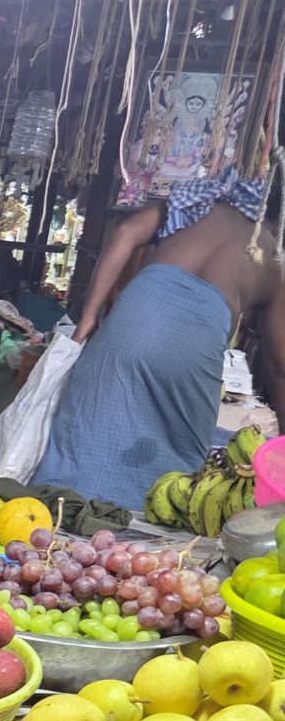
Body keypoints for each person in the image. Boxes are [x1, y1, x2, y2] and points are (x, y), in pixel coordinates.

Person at [35, 168, 285, 509]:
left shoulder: (196, 204)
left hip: (130, 318)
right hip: (193, 350)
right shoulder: (272, 259)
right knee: (177, 455)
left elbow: (125, 233)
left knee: (89, 423)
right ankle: (143, 540)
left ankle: (57, 515)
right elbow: (278, 365)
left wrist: (89, 317)